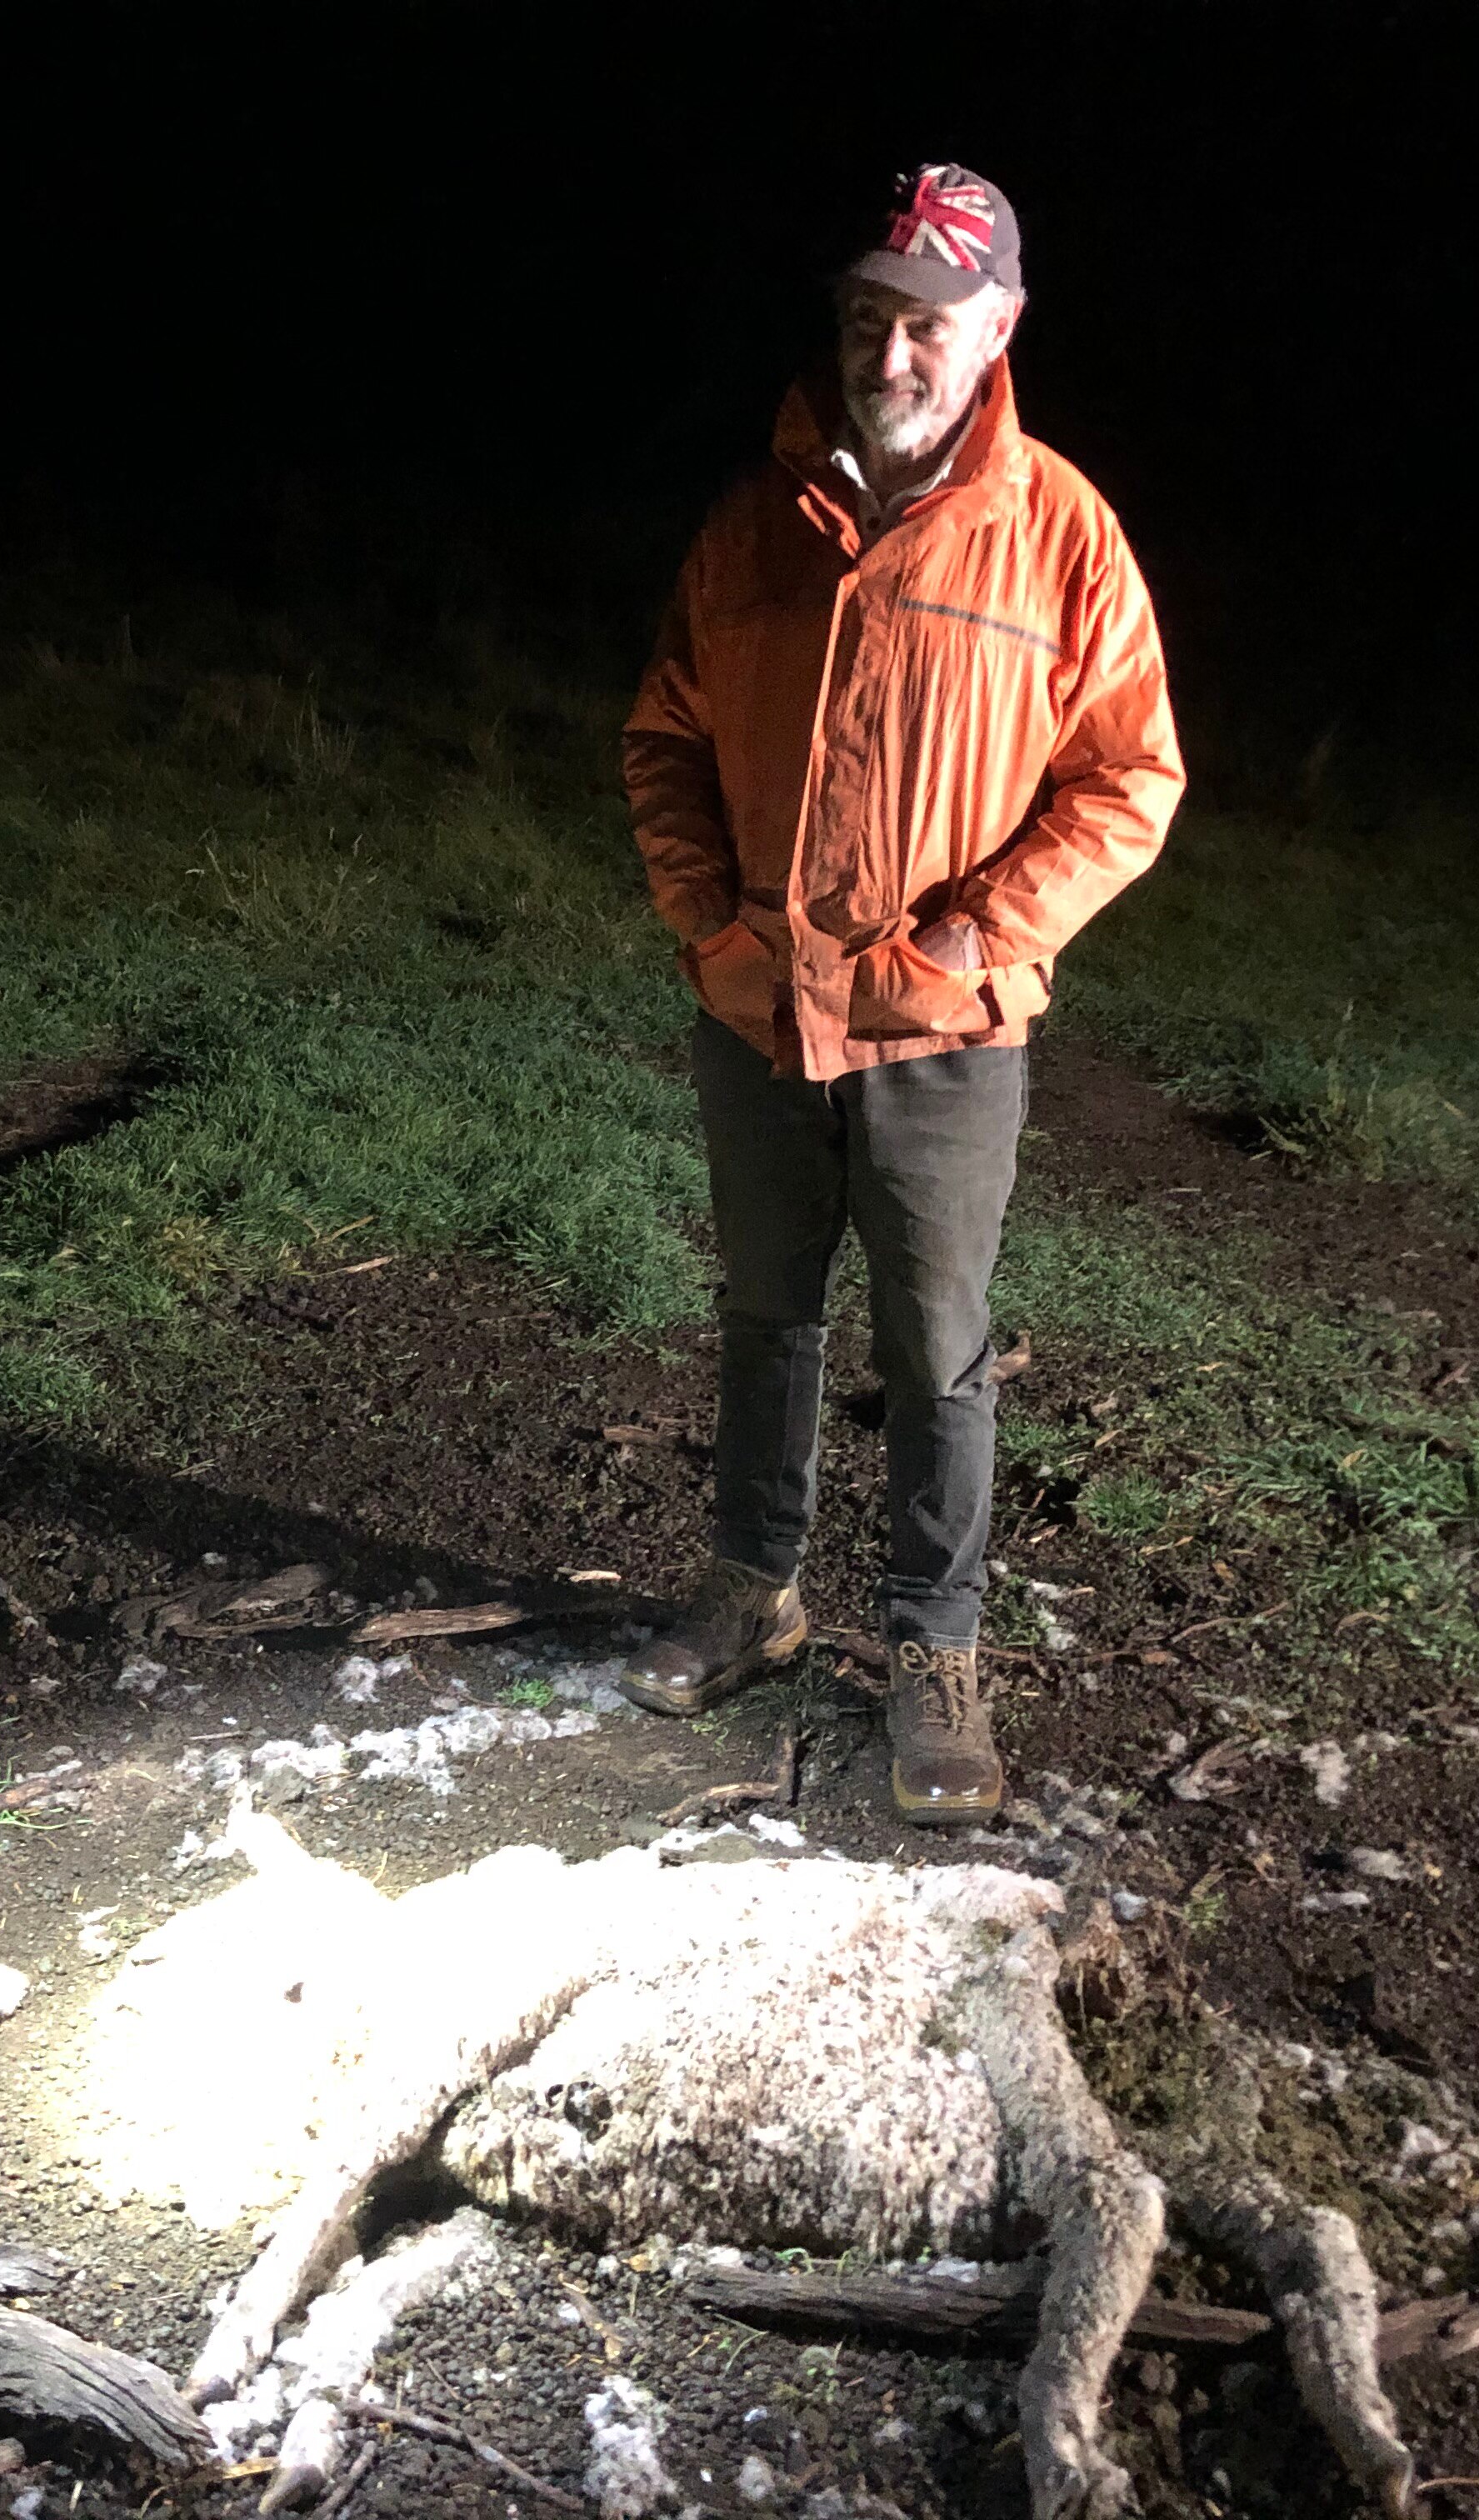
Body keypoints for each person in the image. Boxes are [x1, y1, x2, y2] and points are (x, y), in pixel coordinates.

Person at [617, 164, 1185, 1822]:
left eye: (928, 324)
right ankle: (752, 1589)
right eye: (870, 319)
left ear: (996, 331)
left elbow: (1130, 781)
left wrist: (967, 943)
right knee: (764, 1313)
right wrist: (709, 922)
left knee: (937, 1352)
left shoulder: (1061, 533)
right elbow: (664, 733)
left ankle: (936, 1656)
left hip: (943, 1037)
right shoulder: (758, 522)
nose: (894, 351)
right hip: (756, 1011)